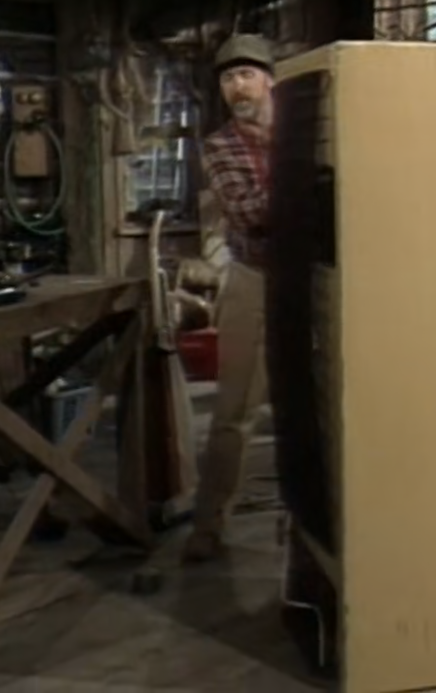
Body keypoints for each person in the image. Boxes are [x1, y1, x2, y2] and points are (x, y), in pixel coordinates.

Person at [184, 33, 276, 563]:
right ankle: (210, 525)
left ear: (268, 80)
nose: (236, 87)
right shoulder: (220, 146)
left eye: (245, 75)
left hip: (315, 277)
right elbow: (251, 214)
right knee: (233, 411)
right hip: (253, 278)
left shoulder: (309, 133)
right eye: (227, 78)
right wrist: (302, 175)